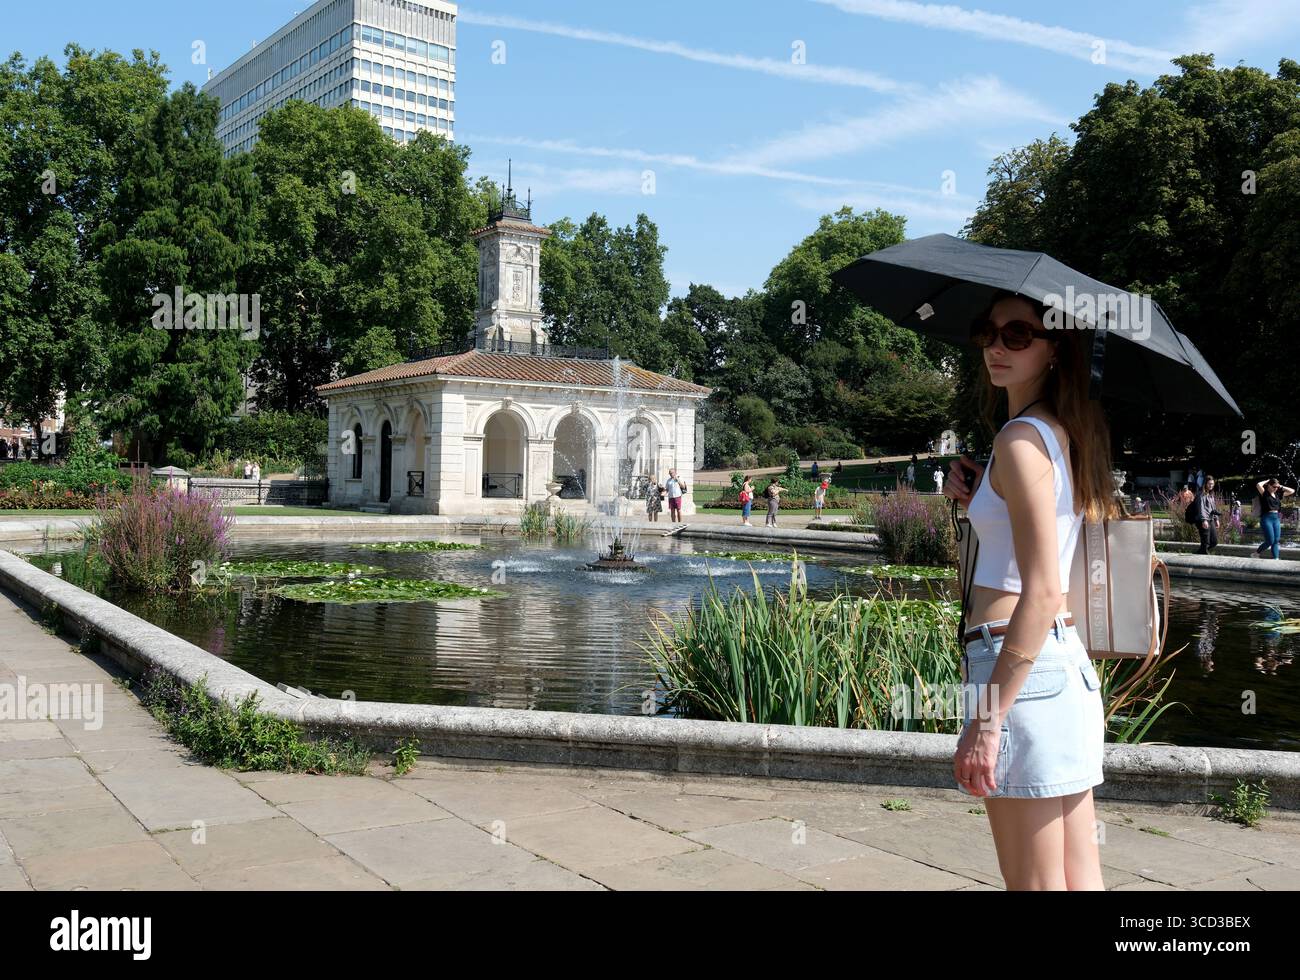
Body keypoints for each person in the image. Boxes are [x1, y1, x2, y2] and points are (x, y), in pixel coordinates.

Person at [944, 290, 1114, 891]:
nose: (996, 345)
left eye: (1017, 335)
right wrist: (980, 498)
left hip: (1018, 671)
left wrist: (988, 721)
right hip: (1058, 670)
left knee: (1035, 885)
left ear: (1053, 350)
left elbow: (1040, 590)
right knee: (1076, 877)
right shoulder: (1057, 434)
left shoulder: (1020, 441)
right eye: (986, 331)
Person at [1253, 477, 1295, 559]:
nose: (1275, 488)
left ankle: (1276, 559)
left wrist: (1280, 486)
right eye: (1274, 487)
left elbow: (1292, 491)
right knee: (1270, 541)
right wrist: (1267, 481)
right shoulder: (1264, 493)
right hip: (1266, 518)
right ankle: (1256, 553)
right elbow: (1258, 485)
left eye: (1277, 487)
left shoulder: (1278, 494)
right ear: (1269, 485)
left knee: (1276, 540)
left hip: (1276, 518)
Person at [1193, 475, 1221, 555]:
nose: (1211, 486)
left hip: (1210, 519)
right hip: (1203, 520)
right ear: (1205, 483)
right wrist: (1204, 520)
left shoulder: (1210, 494)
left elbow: (1213, 508)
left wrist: (1216, 519)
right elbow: (1201, 508)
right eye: (1209, 484)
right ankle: (1202, 554)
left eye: (1212, 484)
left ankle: (1199, 553)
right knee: (1206, 543)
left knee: (1214, 542)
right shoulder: (1201, 494)